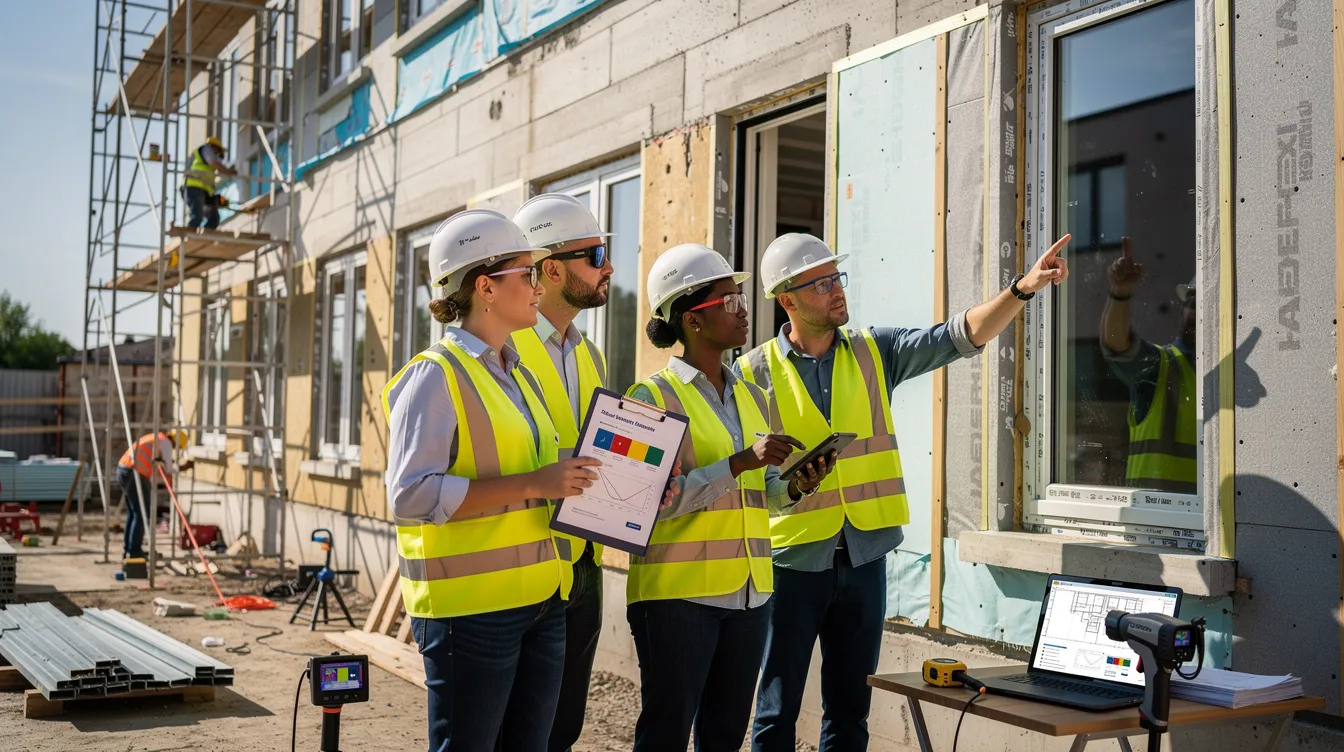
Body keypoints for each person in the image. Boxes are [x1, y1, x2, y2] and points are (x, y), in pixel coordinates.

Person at [738, 232, 1070, 752]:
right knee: (776, 713)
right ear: (788, 299)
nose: (836, 290)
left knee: (850, 712)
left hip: (866, 558)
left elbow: (959, 335)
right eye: (821, 283)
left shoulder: (875, 350)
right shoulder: (753, 372)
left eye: (836, 278)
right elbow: (751, 481)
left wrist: (1022, 289)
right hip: (793, 562)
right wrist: (794, 486)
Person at [382, 209, 675, 752]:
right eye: (526, 272)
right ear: (486, 287)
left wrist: (641, 476)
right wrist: (534, 483)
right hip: (470, 612)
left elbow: (559, 467)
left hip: (542, 595)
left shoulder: (515, 372)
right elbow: (410, 494)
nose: (537, 284)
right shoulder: (435, 374)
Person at [627, 243, 835, 752]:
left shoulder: (749, 394)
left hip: (748, 596)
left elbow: (759, 496)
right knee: (665, 736)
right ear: (693, 320)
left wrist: (795, 484)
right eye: (730, 302)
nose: (745, 312)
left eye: (741, 299)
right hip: (677, 600)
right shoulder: (648, 399)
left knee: (723, 737)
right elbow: (647, 504)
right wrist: (739, 461)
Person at [509, 193, 613, 752]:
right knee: (515, 731)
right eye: (595, 255)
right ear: (549, 270)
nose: (609, 267)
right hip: (521, 567)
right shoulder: (501, 347)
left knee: (563, 726)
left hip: (582, 563)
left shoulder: (588, 354)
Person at [1100, 237, 1196, 494]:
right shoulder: (1162, 365)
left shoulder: (1229, 379)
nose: (1198, 315)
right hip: (1153, 520)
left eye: (1207, 307)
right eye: (1192, 306)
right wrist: (1120, 293)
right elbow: (1116, 344)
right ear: (1180, 314)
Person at [116, 430, 192, 560]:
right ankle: (134, 552)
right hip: (135, 474)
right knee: (141, 514)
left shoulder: (156, 438)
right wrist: (184, 467)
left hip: (124, 470)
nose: (174, 449)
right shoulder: (166, 443)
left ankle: (129, 550)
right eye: (176, 447)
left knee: (134, 513)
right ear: (175, 442)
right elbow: (168, 468)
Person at [182, 136, 238, 230]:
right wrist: (229, 172)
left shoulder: (204, 159)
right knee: (197, 216)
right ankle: (190, 235)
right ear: (214, 147)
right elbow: (214, 163)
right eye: (218, 152)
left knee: (214, 218)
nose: (217, 155)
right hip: (193, 188)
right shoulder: (206, 149)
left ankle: (204, 236)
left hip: (202, 191)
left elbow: (212, 170)